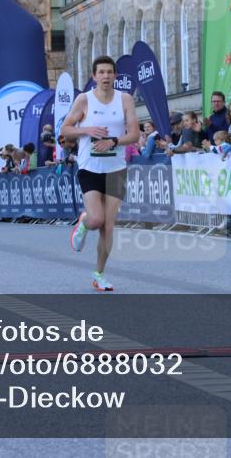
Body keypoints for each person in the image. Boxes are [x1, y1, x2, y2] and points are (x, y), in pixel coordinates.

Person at [59, 55, 139, 292]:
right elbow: (64, 130)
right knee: (96, 219)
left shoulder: (125, 99)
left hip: (116, 169)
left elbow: (134, 135)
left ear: (115, 76)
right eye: (101, 72)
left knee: (108, 226)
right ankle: (84, 223)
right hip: (90, 167)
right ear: (94, 77)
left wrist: (114, 141)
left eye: (109, 72)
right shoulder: (84, 100)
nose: (105, 76)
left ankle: (99, 274)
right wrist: (87, 130)